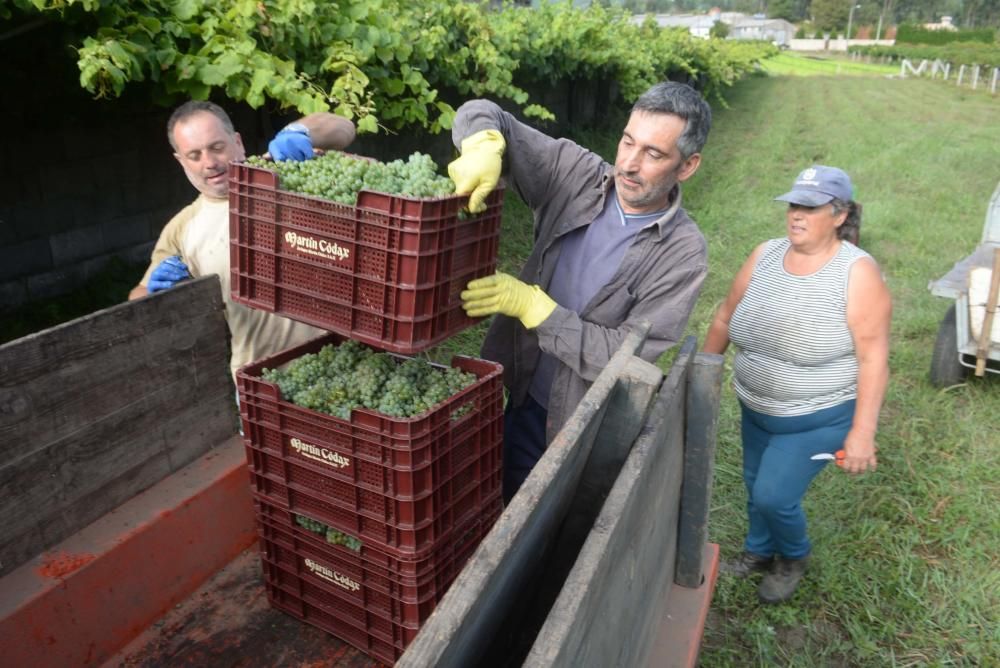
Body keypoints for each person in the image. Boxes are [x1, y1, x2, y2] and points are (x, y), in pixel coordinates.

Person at [448, 82, 713, 502]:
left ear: (687, 166)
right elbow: (484, 111)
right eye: (628, 141)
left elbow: (627, 357)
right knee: (491, 494)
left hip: (578, 421)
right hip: (522, 389)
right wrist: (483, 144)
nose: (628, 163)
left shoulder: (682, 254)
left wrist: (535, 307)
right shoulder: (576, 174)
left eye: (653, 154)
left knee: (538, 522)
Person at [702, 165, 891, 604]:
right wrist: (703, 374)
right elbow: (725, 317)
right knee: (754, 484)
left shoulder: (856, 273)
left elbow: (874, 357)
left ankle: (793, 557)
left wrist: (862, 434)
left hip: (816, 417)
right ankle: (758, 550)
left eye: (810, 207)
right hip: (757, 409)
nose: (796, 215)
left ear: (839, 215)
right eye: (793, 204)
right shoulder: (765, 254)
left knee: (773, 495)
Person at [128, 101, 356, 378]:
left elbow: (344, 127)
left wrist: (299, 130)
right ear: (181, 161)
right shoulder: (182, 228)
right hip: (262, 383)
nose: (209, 163)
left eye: (216, 147)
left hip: (342, 366)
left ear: (237, 142)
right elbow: (136, 299)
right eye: (194, 155)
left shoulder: (287, 176)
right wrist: (153, 296)